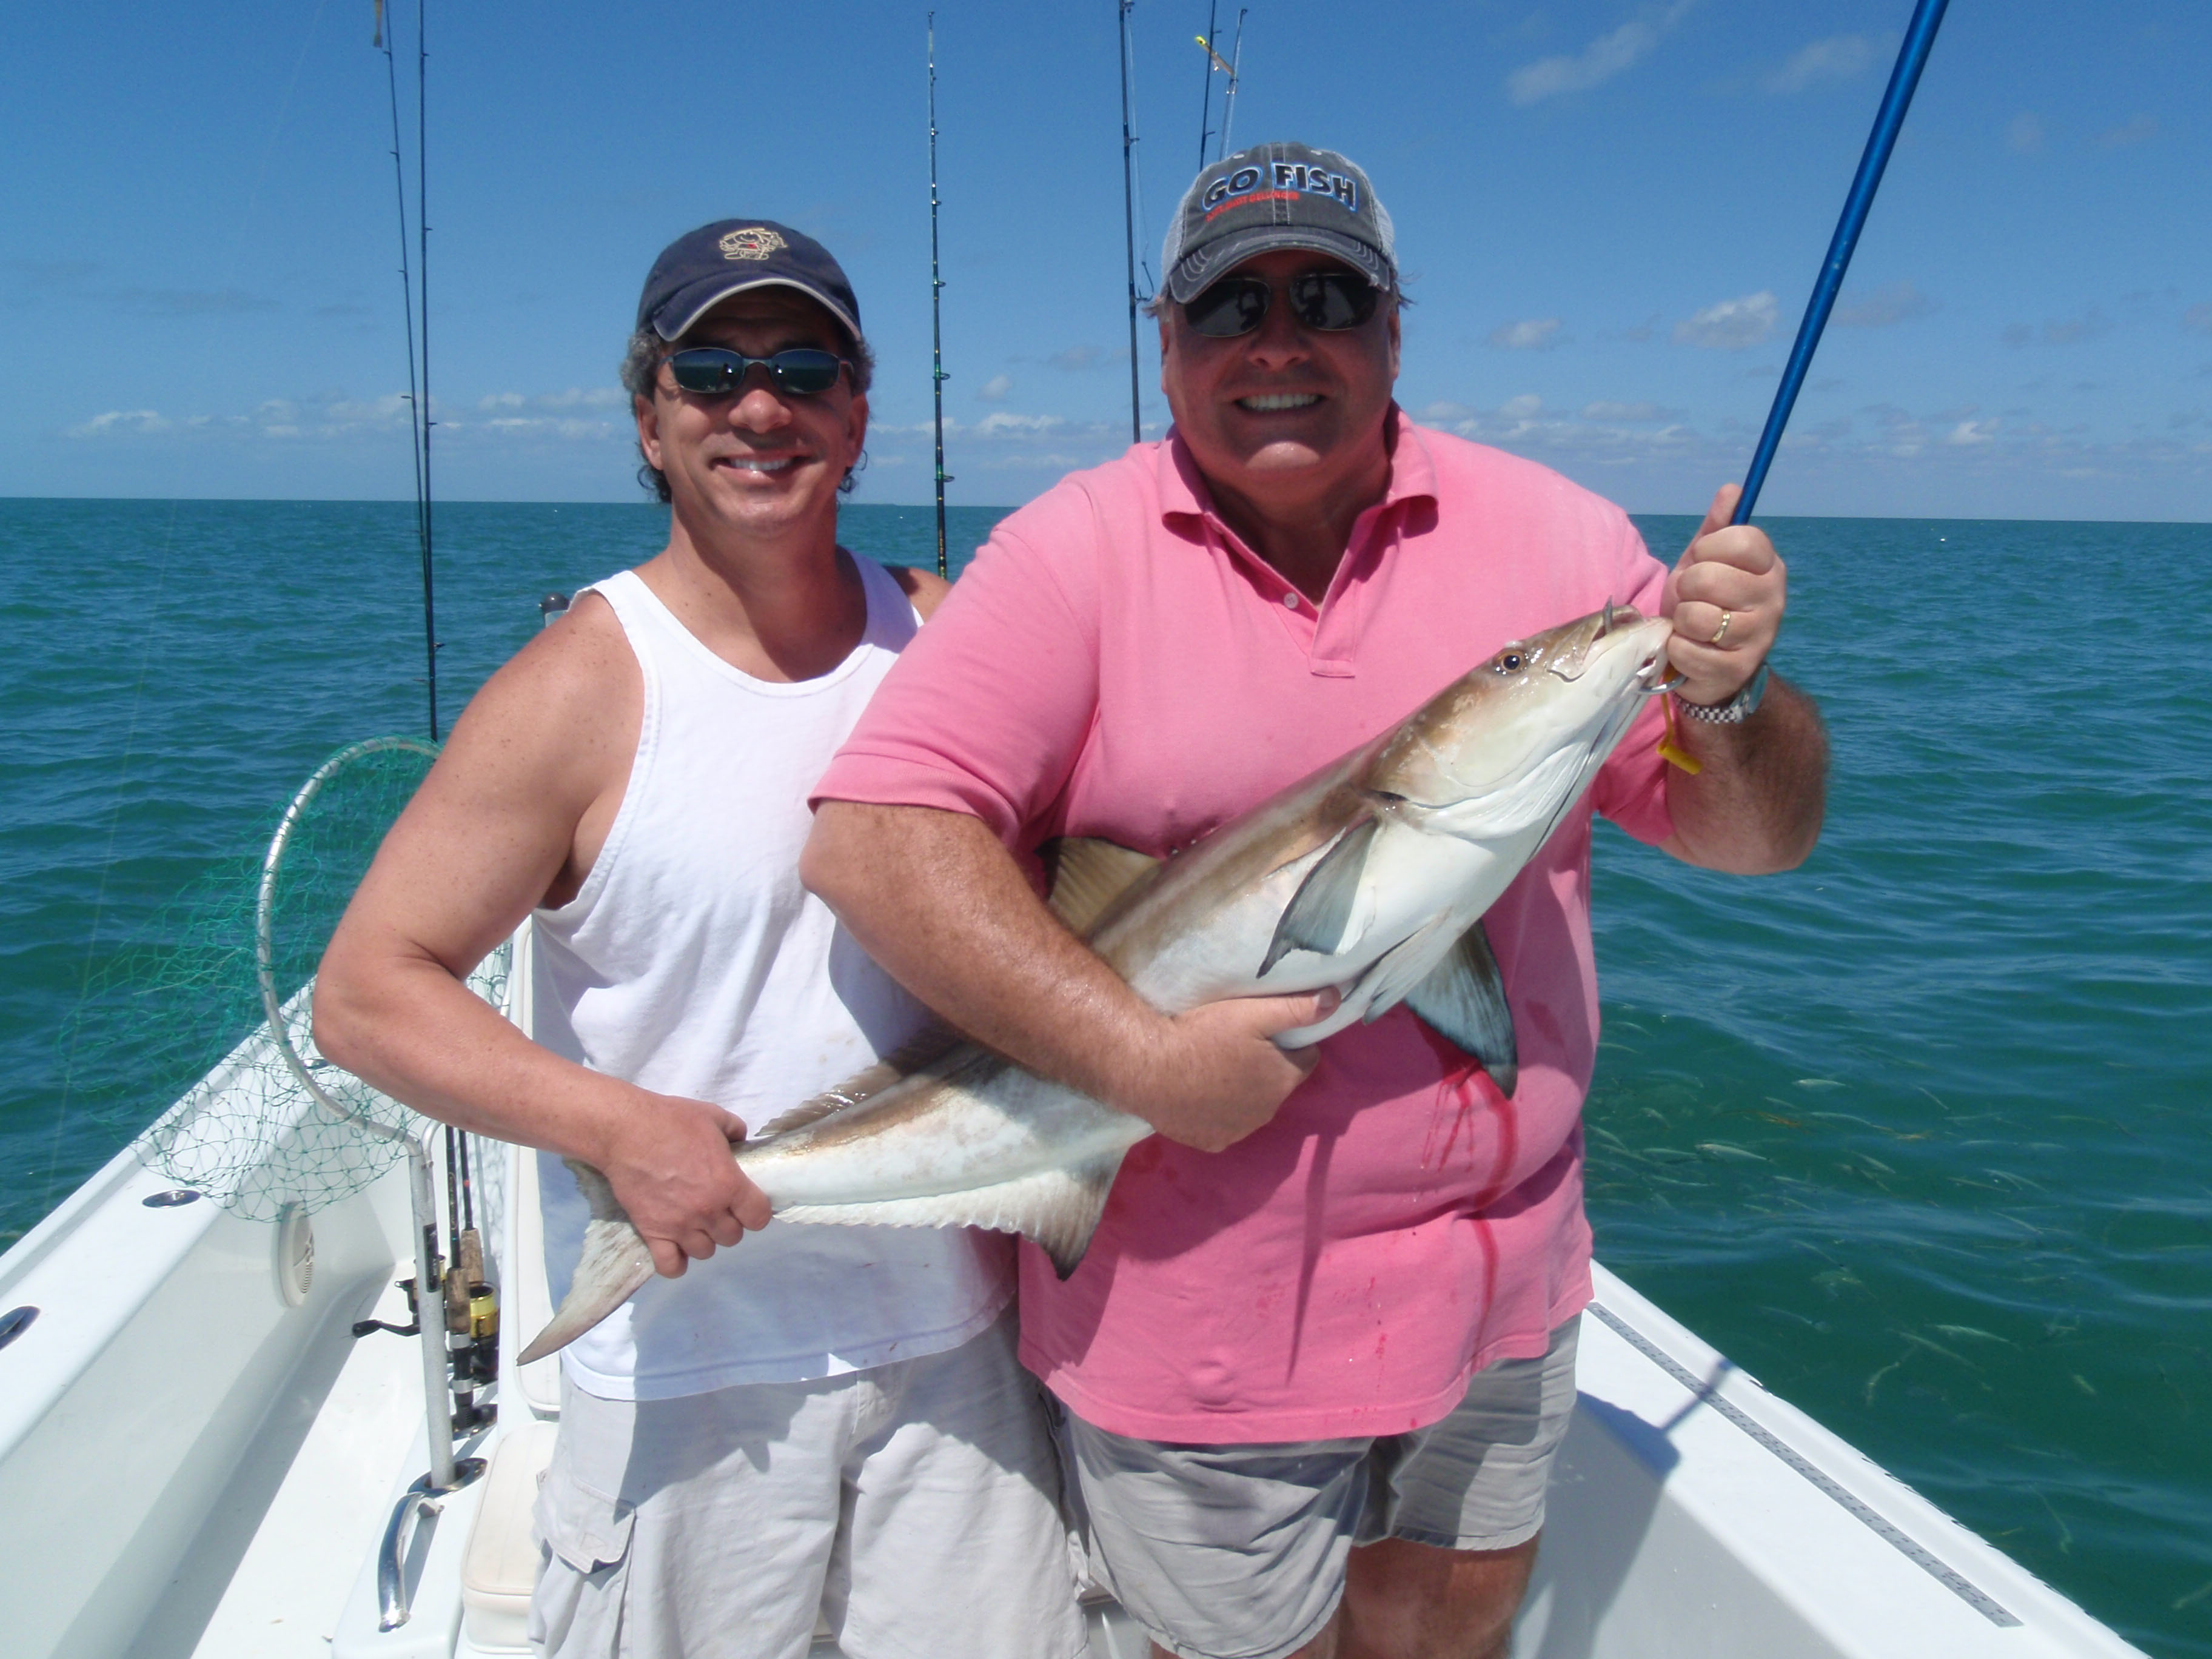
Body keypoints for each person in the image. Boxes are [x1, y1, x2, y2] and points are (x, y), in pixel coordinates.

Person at [802, 143, 1828, 1659]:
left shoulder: (1560, 544)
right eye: (1232, 307)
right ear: (1168, 346)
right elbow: (877, 842)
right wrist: (1142, 1063)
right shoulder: (1075, 552)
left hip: (1504, 1280)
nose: (1279, 342)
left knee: (1452, 1621)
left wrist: (1728, 700)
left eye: (1326, 296)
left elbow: (1754, 842)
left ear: (1394, 330)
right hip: (1194, 1318)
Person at [315, 220, 1085, 1659]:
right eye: (713, 368)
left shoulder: (952, 636)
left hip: (957, 1338)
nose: (759, 406)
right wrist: (618, 1128)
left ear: (859, 417)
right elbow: (366, 994)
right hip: (686, 1369)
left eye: (805, 369)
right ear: (650, 420)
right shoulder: (579, 689)